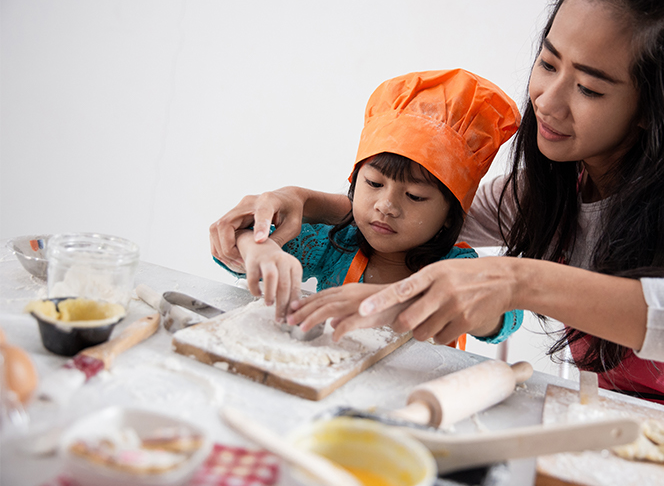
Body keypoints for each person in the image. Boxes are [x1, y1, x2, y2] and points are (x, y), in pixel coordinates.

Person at [210, 0, 664, 433]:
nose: (547, 102)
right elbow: (427, 215)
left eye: (591, 89)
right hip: (606, 414)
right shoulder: (555, 185)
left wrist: (517, 281)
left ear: (656, 105)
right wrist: (296, 199)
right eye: (549, 64)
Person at [214, 69, 523, 349]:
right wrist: (260, 251)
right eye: (374, 184)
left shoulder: (457, 266)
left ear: (448, 216)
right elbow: (240, 237)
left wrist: (409, 302)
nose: (386, 206)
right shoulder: (336, 246)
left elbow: (507, 314)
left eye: (415, 196)